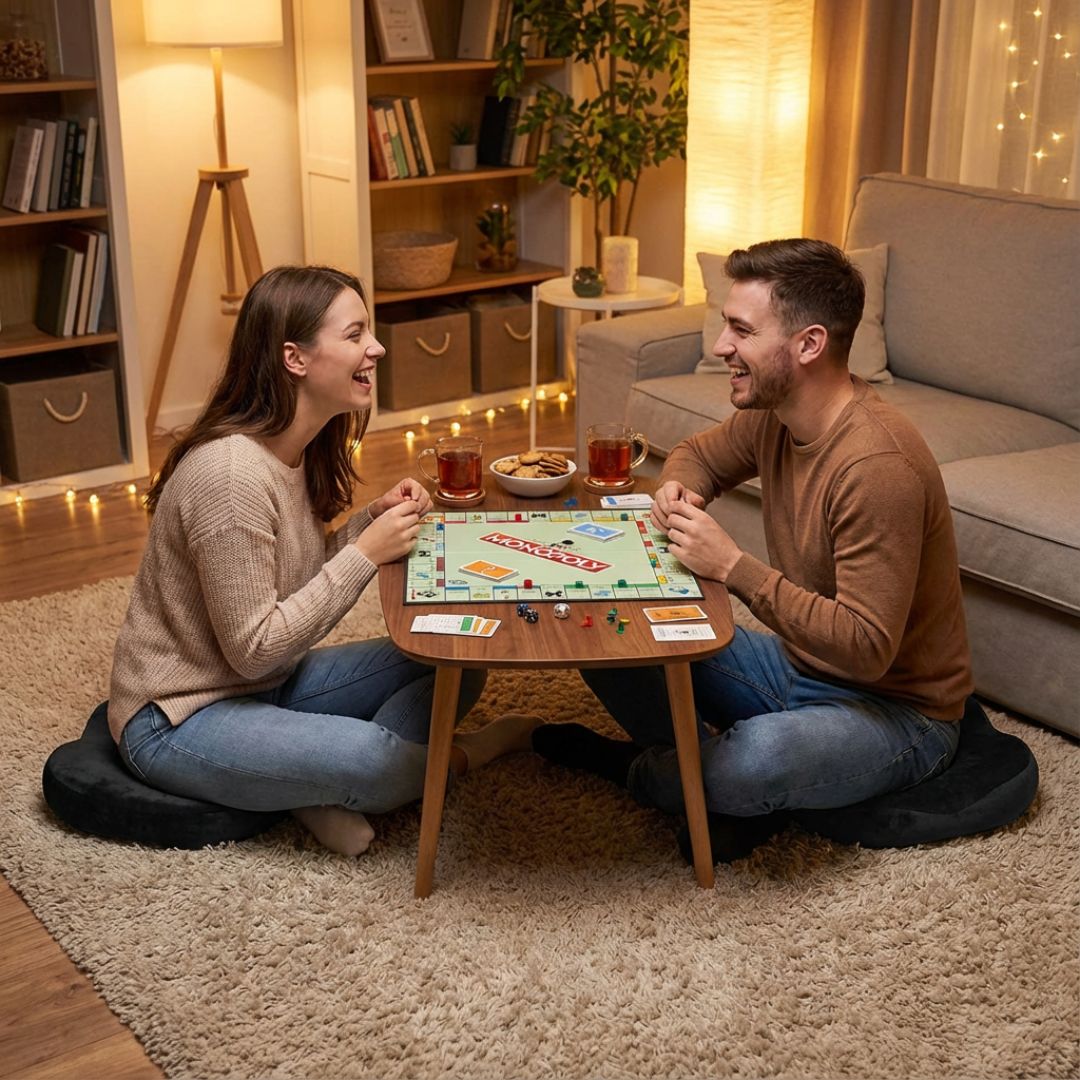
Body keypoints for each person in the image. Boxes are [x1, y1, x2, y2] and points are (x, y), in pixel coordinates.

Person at [534, 238, 973, 863]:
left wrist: (733, 568)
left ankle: (649, 772)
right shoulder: (779, 414)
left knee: (754, 760)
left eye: (741, 330)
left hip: (898, 710)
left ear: (808, 345)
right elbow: (697, 454)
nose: (720, 348)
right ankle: (716, 788)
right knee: (606, 627)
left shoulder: (877, 466)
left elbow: (868, 649)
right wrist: (678, 491)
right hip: (797, 667)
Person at [109, 265, 536, 856]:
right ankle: (445, 757)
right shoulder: (230, 475)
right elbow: (254, 646)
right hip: (182, 715)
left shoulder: (295, 448)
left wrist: (368, 521)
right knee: (372, 759)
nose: (376, 347)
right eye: (355, 333)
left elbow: (293, 579)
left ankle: (299, 781)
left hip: (267, 686)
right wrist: (365, 553)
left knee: (455, 658)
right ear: (295, 358)